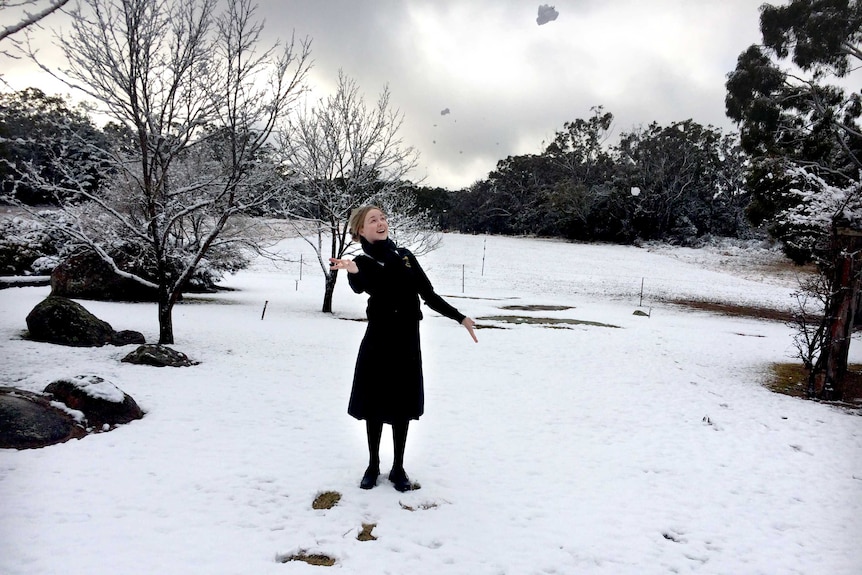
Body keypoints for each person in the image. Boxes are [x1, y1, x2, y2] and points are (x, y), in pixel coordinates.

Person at [330, 206, 477, 492]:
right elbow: (366, 287)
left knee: (401, 406)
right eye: (373, 220)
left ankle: (398, 467)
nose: (381, 222)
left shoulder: (405, 257)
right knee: (373, 405)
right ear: (361, 230)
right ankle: (373, 465)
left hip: (407, 341)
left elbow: (428, 295)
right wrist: (354, 270)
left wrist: (460, 317)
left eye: (383, 218)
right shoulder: (362, 261)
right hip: (378, 341)